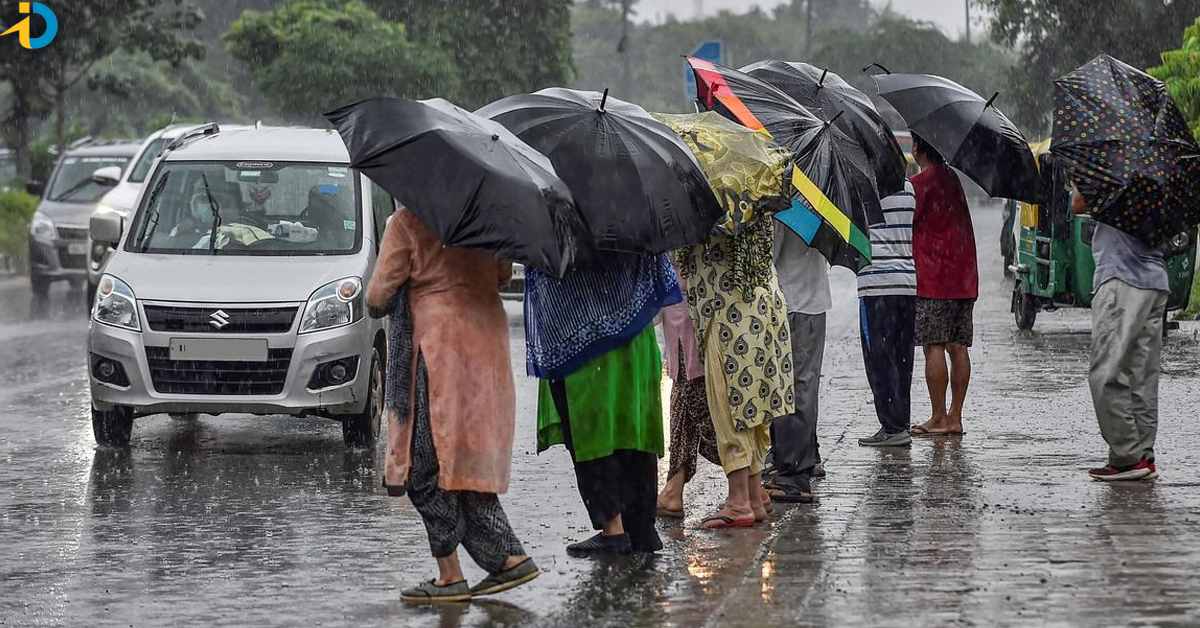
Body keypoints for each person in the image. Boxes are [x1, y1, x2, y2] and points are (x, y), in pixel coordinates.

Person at [367, 208, 537, 603]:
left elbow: (377, 297)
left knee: (424, 464)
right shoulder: (489, 221)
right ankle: (507, 559)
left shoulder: (407, 222)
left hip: (436, 348)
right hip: (484, 345)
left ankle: (452, 574)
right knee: (467, 462)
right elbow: (502, 276)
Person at [526, 253, 680, 555]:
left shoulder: (560, 217)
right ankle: (641, 528)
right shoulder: (635, 213)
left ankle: (613, 529)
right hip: (635, 336)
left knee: (592, 434)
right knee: (632, 429)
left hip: (581, 342)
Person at [675, 214, 795, 527]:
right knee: (754, 407)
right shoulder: (756, 188)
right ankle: (754, 495)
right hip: (761, 304)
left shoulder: (713, 199)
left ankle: (739, 500)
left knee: (730, 407)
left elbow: (683, 256)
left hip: (727, 312)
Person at [1072, 186, 1167, 481]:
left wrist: (1079, 179)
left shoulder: (1110, 168)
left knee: (1106, 373)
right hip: (1155, 280)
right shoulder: (1159, 171)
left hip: (1121, 280)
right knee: (1141, 375)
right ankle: (1142, 456)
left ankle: (1127, 456)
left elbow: (1078, 204)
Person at [910, 134, 977, 436]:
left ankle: (938, 416)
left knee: (933, 345)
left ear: (918, 148)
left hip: (934, 277)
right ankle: (956, 416)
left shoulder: (919, 185)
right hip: (963, 277)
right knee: (958, 346)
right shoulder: (953, 179)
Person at [766, 227, 830, 501]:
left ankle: (793, 474)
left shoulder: (787, 208)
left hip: (791, 302)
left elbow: (769, 258)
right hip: (814, 301)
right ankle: (805, 455)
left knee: (790, 388)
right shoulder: (822, 206)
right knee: (805, 383)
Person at [655, 271, 721, 519]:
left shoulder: (682, 235)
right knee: (683, 406)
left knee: (699, 407)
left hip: (690, 322)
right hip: (684, 319)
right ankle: (674, 487)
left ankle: (748, 481)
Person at [857, 180, 918, 447]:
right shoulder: (908, 189)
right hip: (906, 283)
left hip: (876, 284)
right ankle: (901, 422)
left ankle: (891, 427)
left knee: (879, 359)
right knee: (903, 357)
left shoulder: (862, 188)